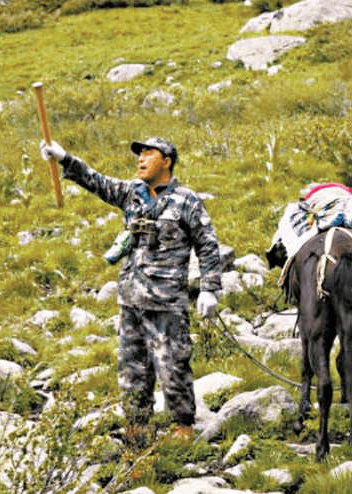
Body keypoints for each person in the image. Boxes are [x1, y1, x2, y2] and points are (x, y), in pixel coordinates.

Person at [40, 136, 222, 441]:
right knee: (131, 372)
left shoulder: (187, 200)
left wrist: (209, 288)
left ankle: (183, 430)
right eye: (139, 155)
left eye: (150, 154)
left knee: (173, 368)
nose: (141, 159)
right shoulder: (131, 193)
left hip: (167, 303)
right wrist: (63, 158)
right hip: (131, 301)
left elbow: (208, 245)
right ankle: (137, 428)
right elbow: (96, 181)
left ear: (167, 161)